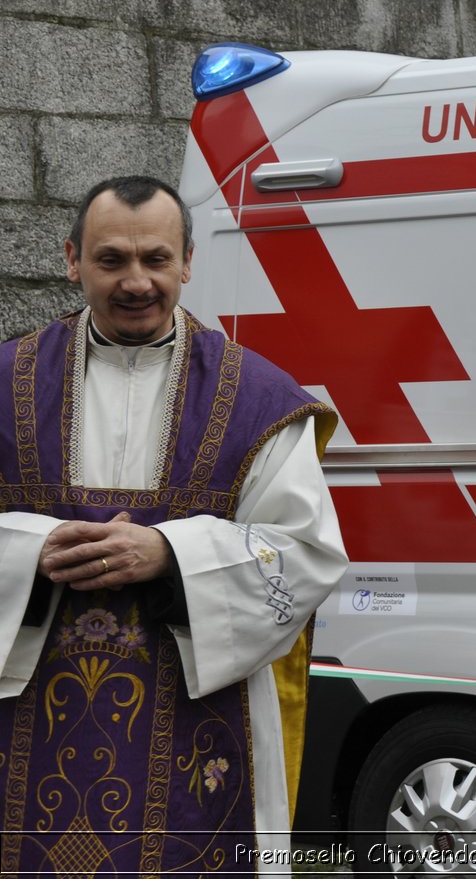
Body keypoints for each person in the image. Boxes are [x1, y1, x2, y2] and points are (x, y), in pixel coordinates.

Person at [0, 176, 346, 876]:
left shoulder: (259, 398)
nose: (136, 281)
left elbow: (307, 552)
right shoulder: (7, 383)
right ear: (71, 259)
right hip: (24, 724)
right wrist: (29, 551)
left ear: (188, 262)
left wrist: (171, 552)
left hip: (199, 726)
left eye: (156, 259)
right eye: (111, 260)